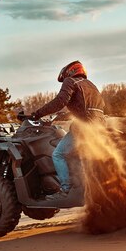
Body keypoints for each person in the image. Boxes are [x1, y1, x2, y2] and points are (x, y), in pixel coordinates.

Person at [31, 60, 105, 200]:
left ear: (69, 72)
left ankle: (65, 190)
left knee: (58, 154)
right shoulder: (91, 85)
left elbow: (60, 101)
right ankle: (81, 185)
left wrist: (38, 113)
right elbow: (85, 107)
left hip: (84, 127)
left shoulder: (70, 81)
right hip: (99, 126)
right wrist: (65, 115)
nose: (64, 79)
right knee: (79, 155)